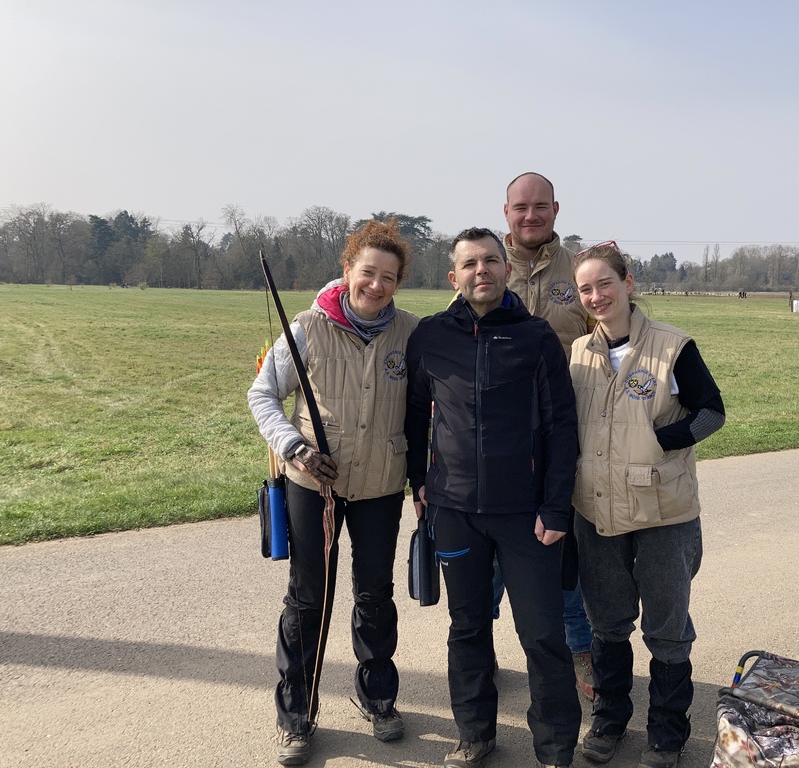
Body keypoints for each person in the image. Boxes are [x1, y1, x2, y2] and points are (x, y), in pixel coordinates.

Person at [405, 227, 581, 768]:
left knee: (543, 634)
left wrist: (556, 506)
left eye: (490, 261)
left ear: (506, 269)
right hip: (454, 511)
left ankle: (555, 748)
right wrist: (419, 481)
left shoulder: (536, 337)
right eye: (469, 263)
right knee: (468, 627)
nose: (481, 270)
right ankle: (475, 734)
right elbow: (413, 415)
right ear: (453, 276)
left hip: (527, 515)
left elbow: (561, 426)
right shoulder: (431, 335)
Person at [248, 220, 419, 766]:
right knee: (308, 598)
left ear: (398, 283)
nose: (376, 285)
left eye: (388, 277)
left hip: (380, 485)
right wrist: (294, 447)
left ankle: (378, 697)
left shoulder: (412, 333)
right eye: (367, 272)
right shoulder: (306, 327)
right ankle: (296, 712)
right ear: (348, 270)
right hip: (312, 484)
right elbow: (262, 395)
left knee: (375, 595)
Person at [568, 242, 725, 768]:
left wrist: (660, 440)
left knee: (667, 628)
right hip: (596, 512)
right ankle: (610, 720)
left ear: (628, 283)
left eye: (605, 283)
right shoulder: (578, 353)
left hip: (662, 512)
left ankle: (666, 734)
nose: (596, 296)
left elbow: (712, 413)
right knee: (607, 623)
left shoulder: (672, 347)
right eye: (586, 288)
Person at [500, 171, 596, 700]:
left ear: (556, 209)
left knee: (563, 556)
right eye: (521, 207)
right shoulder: (488, 266)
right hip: (501, 445)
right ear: (506, 212)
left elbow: (613, 335)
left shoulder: (579, 272)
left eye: (540, 206)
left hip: (565, 439)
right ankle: (481, 651)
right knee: (492, 560)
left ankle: (580, 650)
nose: (531, 215)